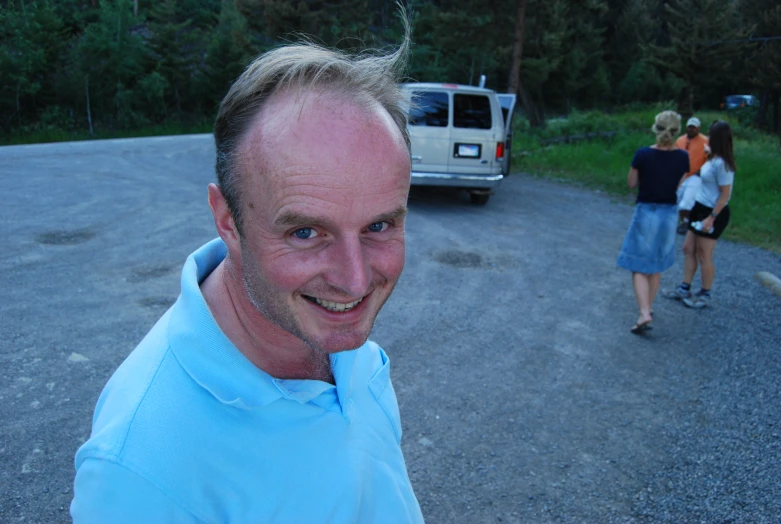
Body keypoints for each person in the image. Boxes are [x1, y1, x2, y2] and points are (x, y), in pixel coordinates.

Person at [70, 34, 424, 522]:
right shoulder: (141, 470)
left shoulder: (330, 333)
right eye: (305, 232)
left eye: (378, 226)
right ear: (228, 221)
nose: (355, 280)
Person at [617, 111, 690, 334]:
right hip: (669, 213)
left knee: (639, 264)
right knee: (656, 264)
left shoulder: (642, 154)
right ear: (677, 131)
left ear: (655, 127)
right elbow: (679, 184)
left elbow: (631, 184)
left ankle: (644, 312)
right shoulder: (683, 157)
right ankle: (648, 307)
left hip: (647, 210)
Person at [665, 120, 736, 309]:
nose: (708, 137)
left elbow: (725, 194)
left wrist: (711, 217)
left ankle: (705, 293)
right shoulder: (713, 158)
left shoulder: (723, 165)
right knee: (688, 248)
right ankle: (684, 288)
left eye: (712, 134)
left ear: (718, 139)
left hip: (714, 212)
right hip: (699, 206)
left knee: (704, 253)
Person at [674, 117, 709, 234]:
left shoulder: (705, 141)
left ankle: (687, 221)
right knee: (676, 198)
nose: (691, 129)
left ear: (699, 128)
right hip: (681, 175)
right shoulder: (680, 140)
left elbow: (709, 158)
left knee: (687, 201)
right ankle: (683, 220)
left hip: (695, 175)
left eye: (694, 127)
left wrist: (701, 172)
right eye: (690, 127)